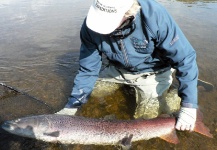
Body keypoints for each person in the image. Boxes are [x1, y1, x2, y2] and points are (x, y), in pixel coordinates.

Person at [59, 0, 199, 131]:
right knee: (92, 94)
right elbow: (88, 70)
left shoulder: (154, 16)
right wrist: (73, 105)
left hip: (153, 72)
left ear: (128, 13)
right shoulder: (90, 26)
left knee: (147, 118)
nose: (100, 28)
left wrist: (189, 106)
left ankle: (177, 93)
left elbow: (185, 59)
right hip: (118, 69)